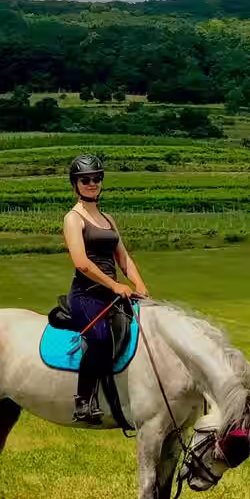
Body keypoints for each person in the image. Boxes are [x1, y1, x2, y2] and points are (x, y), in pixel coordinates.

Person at [62, 154, 148, 425]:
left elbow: (122, 257)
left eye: (97, 178)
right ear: (75, 184)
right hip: (86, 294)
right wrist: (115, 285)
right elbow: (82, 263)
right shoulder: (73, 219)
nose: (92, 183)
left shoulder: (108, 218)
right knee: (99, 338)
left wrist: (140, 285)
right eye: (85, 179)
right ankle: (83, 401)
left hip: (114, 293)